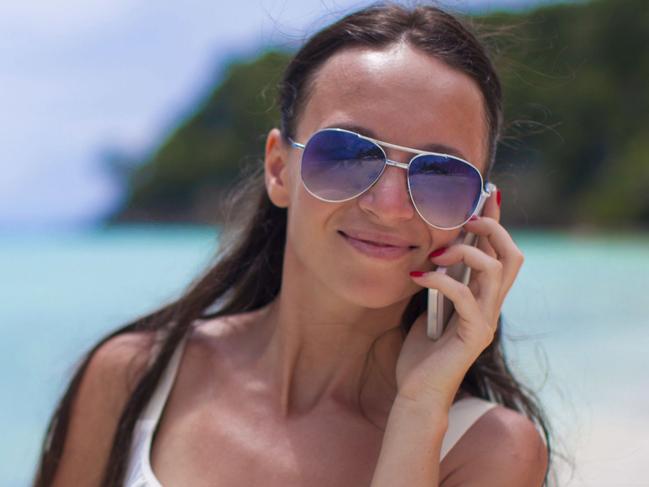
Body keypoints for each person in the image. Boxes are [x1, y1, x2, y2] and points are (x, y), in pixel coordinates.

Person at [34, 3, 554, 486]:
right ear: (279, 168)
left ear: (480, 211)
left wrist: (418, 410)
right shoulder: (133, 379)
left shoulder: (491, 451)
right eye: (349, 154)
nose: (389, 204)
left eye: (440, 173)